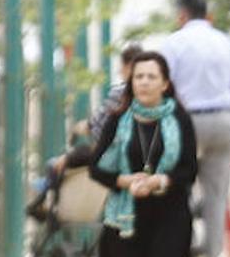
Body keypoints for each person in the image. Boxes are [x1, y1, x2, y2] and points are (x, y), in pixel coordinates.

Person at [90, 51, 199, 257]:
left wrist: (158, 181)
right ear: (131, 81)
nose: (145, 82)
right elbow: (97, 167)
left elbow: (189, 169)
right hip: (128, 215)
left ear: (165, 83)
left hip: (170, 211)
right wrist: (126, 181)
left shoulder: (179, 119)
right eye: (139, 76)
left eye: (152, 76)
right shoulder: (118, 119)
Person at [158, 0, 230, 257]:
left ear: (182, 14)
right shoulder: (226, 43)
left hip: (186, 120)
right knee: (217, 196)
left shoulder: (173, 43)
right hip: (222, 119)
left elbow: (165, 88)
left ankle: (183, 256)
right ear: (207, 14)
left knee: (178, 190)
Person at [27, 44, 143, 221]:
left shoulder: (120, 92)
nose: (120, 71)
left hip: (111, 158)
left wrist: (84, 128)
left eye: (122, 66)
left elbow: (98, 127)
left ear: (128, 66)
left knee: (58, 163)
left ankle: (48, 204)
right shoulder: (155, 97)